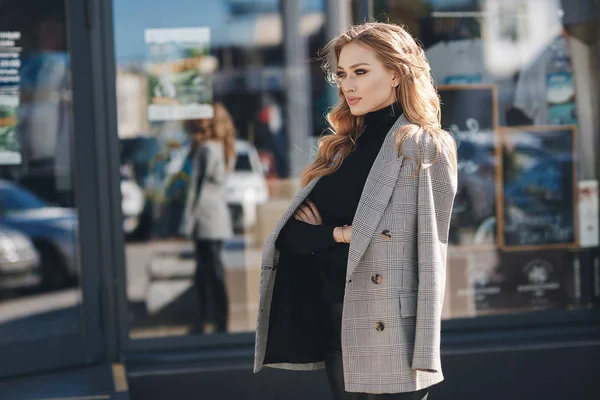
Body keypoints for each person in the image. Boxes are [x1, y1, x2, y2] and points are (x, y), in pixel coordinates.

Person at [253, 22, 458, 399]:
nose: (347, 85)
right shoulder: (341, 148)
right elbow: (293, 238)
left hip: (393, 331)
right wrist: (339, 234)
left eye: (361, 72)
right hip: (339, 321)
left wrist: (426, 349)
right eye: (342, 74)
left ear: (396, 74)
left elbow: (433, 252)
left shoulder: (423, 145)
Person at [180, 103, 236, 334]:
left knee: (208, 272)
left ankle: (211, 321)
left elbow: (194, 188)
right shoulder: (226, 148)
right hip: (218, 216)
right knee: (209, 270)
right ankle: (214, 320)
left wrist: (186, 222)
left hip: (204, 216)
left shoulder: (205, 149)